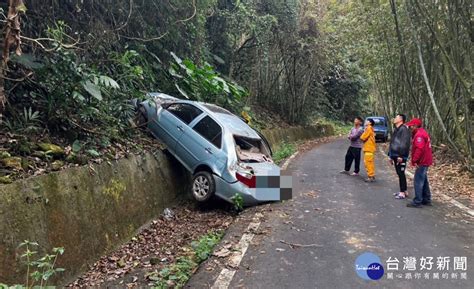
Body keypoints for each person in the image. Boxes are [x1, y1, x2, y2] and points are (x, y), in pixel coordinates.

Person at [405, 118, 433, 208]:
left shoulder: (419, 135)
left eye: (411, 126)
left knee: (418, 181)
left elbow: (419, 149)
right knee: (424, 180)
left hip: (422, 161)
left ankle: (418, 201)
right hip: (425, 160)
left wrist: (415, 160)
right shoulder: (422, 132)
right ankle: (426, 199)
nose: (410, 128)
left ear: (416, 126)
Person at [388, 114, 411, 199]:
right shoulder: (396, 129)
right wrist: (390, 155)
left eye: (396, 117)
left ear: (401, 119)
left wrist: (401, 155)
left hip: (400, 156)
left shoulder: (404, 129)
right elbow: (393, 143)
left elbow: (404, 144)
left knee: (401, 173)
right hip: (395, 155)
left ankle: (402, 192)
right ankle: (404, 190)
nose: (394, 119)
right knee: (399, 173)